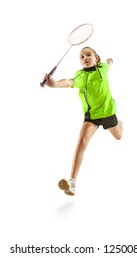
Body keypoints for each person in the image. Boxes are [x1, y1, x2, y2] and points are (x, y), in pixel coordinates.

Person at [43, 47, 123, 196]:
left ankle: (120, 125)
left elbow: (107, 66)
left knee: (119, 136)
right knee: (82, 139)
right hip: (91, 116)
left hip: (108, 112)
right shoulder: (81, 75)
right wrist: (54, 84)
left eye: (88, 55)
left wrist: (110, 62)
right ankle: (72, 182)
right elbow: (68, 82)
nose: (84, 58)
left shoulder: (102, 68)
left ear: (96, 58)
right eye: (81, 57)